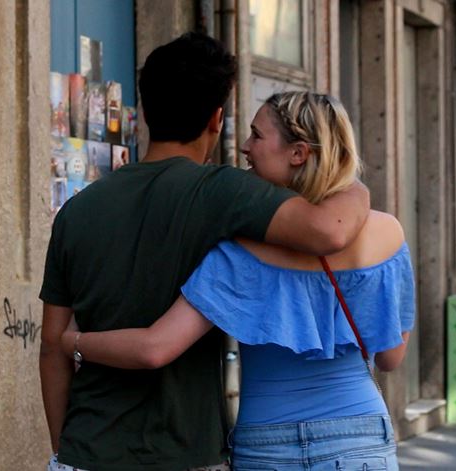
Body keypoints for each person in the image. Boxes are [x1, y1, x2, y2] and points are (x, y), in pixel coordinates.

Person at [39, 34, 370, 471]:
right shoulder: (224, 193)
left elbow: (50, 348)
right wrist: (357, 186)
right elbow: (330, 230)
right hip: (186, 454)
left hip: (87, 449)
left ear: (145, 111)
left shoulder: (76, 211)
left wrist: (67, 450)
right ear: (217, 118)